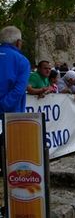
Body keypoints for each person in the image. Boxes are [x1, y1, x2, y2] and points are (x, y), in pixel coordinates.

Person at [0, 26, 30, 177]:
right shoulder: (22, 61)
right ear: (18, 42)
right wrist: (3, 105)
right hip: (11, 114)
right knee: (10, 152)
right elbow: (19, 89)